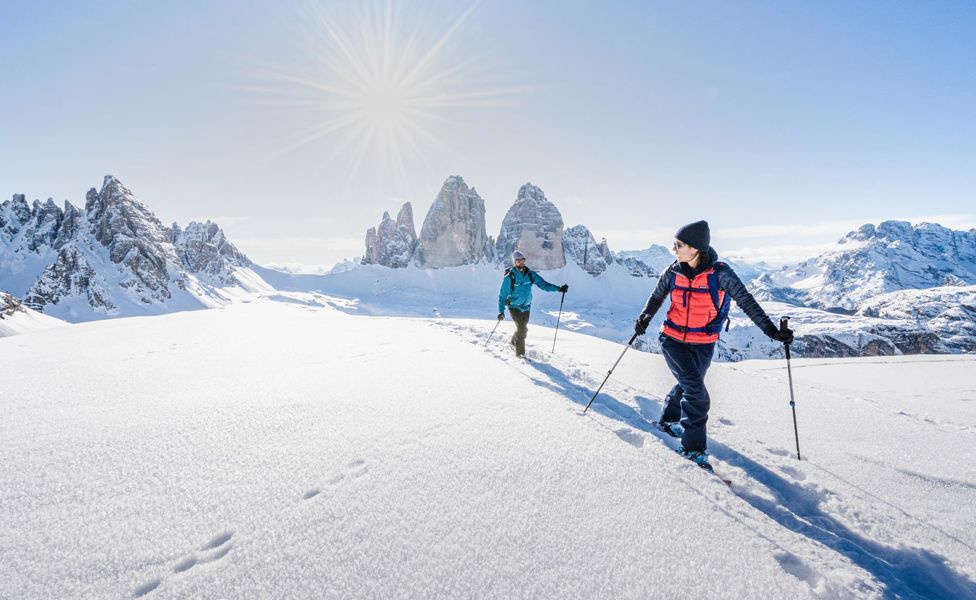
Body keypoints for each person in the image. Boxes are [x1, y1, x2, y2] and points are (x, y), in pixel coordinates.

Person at [634, 220, 793, 472]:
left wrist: (772, 331)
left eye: (679, 245)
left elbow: (747, 302)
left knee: (688, 383)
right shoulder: (672, 271)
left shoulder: (721, 274)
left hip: (704, 343)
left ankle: (668, 419)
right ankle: (693, 448)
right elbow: (656, 297)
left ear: (696, 248)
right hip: (672, 340)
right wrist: (644, 317)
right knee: (697, 393)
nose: (674, 250)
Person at [497, 250, 568, 358]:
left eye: (523, 260)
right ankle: (520, 355)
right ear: (514, 262)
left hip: (526, 307)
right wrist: (501, 312)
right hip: (514, 307)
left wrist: (559, 289)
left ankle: (512, 342)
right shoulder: (510, 277)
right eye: (518, 261)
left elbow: (543, 285)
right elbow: (502, 296)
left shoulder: (530, 274)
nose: (521, 262)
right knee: (521, 330)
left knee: (523, 330)